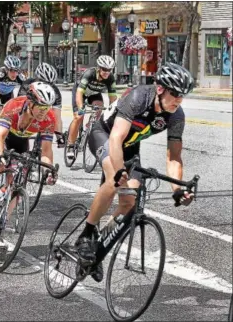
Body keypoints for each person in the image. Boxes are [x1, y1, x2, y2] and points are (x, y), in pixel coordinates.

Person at [76, 62, 195, 283]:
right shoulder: (139, 97)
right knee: (114, 180)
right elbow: (116, 138)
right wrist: (120, 171)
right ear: (160, 88)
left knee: (129, 203)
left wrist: (178, 188)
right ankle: (86, 234)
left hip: (130, 147)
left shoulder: (176, 116)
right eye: (176, 94)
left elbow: (174, 157)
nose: (179, 100)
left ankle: (98, 247)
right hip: (104, 134)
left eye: (183, 96)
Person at [0, 82, 57, 215]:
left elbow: (47, 150)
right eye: (41, 107)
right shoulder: (14, 106)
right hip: (2, 135)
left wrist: (48, 171)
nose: (44, 112)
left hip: (21, 140)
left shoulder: (49, 118)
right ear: (30, 103)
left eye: (47, 107)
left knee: (19, 179)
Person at [67, 55, 117, 159]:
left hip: (94, 94)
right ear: (99, 68)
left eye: (109, 69)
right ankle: (70, 145)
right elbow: (80, 93)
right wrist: (81, 108)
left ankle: (88, 128)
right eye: (104, 69)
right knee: (78, 117)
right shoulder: (89, 74)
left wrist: (114, 111)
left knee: (99, 108)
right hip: (81, 91)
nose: (107, 72)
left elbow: (112, 98)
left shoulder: (110, 78)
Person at [18, 62, 64, 147]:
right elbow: (20, 106)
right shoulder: (27, 84)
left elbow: (57, 116)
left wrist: (59, 135)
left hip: (43, 114)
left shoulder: (55, 91)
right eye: (44, 82)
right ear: (37, 78)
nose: (47, 86)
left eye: (50, 84)